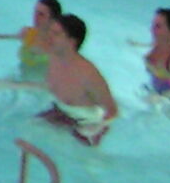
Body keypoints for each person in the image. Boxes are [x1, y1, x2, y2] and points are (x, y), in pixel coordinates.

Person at [11, 13, 119, 144]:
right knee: (25, 130)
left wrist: (96, 128)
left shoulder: (87, 73)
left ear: (71, 42)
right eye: (50, 32)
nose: (49, 37)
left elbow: (113, 111)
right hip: (60, 111)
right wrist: (14, 84)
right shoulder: (53, 55)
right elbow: (31, 41)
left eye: (56, 34)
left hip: (85, 123)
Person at [0, 0, 62, 78]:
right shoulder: (28, 33)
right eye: (35, 12)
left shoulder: (57, 46)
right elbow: (6, 37)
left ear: (52, 19)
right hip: (21, 77)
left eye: (41, 14)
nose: (35, 17)